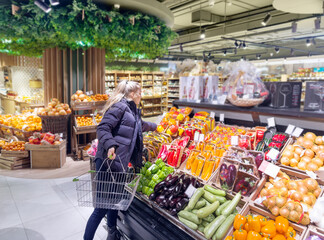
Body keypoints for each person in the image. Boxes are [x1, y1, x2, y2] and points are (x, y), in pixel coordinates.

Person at [84, 80, 157, 240]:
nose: (141, 95)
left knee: (114, 202)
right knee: (102, 208)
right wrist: (110, 145)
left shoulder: (133, 110)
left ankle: (112, 232)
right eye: (139, 92)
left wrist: (157, 126)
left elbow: (139, 125)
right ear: (132, 94)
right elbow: (103, 127)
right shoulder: (120, 106)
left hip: (119, 163)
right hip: (108, 161)